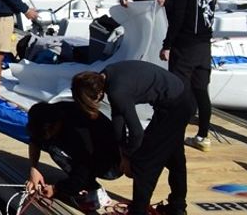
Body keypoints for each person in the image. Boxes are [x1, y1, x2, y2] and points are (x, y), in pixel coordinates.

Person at [72, 62, 190, 215]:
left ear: (95, 95)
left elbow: (137, 133)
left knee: (145, 164)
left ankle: (138, 211)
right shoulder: (106, 75)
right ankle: (177, 207)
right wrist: (121, 150)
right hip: (182, 98)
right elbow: (118, 117)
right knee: (175, 158)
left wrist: (128, 159)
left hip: (175, 107)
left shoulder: (117, 91)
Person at [162, 0, 218, 152]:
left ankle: (174, 133)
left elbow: (178, 18)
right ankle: (203, 136)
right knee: (201, 91)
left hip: (185, 46)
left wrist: (167, 44)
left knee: (179, 89)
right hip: (205, 46)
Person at [24, 101, 120, 207]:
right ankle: (79, 184)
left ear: (56, 125)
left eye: (47, 133)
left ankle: (93, 190)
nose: (44, 138)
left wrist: (56, 189)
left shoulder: (79, 134)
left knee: (54, 149)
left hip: (111, 164)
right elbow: (35, 140)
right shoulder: (49, 114)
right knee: (49, 143)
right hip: (91, 154)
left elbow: (84, 169)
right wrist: (34, 168)